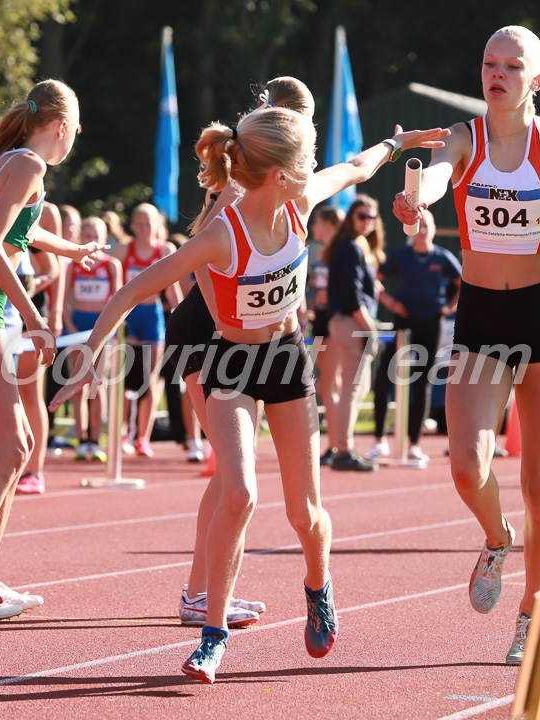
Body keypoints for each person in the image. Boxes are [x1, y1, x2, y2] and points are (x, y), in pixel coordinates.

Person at [50, 104, 447, 682]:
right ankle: (213, 633)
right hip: (229, 363)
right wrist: (89, 355)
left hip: (286, 362)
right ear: (280, 171)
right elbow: (137, 287)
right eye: (307, 156)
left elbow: (357, 168)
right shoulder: (220, 236)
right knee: (238, 492)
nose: (315, 165)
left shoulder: (301, 200)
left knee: (305, 513)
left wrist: (397, 143)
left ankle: (318, 584)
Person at [393, 25, 540, 665]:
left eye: (511, 66)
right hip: (481, 319)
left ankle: (530, 609)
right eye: (489, 64)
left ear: (536, 80)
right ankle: (497, 539)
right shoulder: (465, 137)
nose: (496, 74)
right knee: (466, 464)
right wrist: (418, 201)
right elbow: (441, 176)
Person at [169, 77, 316, 629]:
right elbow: (201, 254)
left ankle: (202, 594)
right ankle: (198, 596)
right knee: (231, 478)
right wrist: (224, 316)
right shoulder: (243, 187)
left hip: (241, 336)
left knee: (230, 476)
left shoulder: (275, 188)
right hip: (208, 334)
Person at [0, 79, 105, 620]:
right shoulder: (28, 165)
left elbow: (21, 231)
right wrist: (34, 316)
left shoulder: (15, 162)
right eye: (76, 131)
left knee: (18, 444)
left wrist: (72, 247)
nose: (73, 140)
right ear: (61, 127)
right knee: (13, 449)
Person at [367, 208, 461, 462]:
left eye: (427, 226)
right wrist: (389, 301)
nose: (423, 231)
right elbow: (374, 278)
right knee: (385, 376)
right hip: (403, 320)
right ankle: (378, 440)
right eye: (419, 227)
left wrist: (450, 307)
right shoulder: (401, 256)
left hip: (431, 322)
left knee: (422, 382)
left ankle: (414, 444)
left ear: (433, 230)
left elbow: (462, 283)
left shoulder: (442, 257)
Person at [321, 195, 386, 472]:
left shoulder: (353, 246)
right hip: (352, 323)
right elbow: (351, 293)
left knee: (353, 389)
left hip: (348, 322)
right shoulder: (349, 247)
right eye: (362, 216)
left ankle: (341, 447)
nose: (367, 222)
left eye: (372, 217)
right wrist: (368, 325)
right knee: (352, 389)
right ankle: (343, 450)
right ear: (351, 218)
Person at [113, 202, 182, 457]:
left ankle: (143, 437)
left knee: (151, 379)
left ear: (158, 226)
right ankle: (121, 434)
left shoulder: (165, 249)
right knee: (123, 378)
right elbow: (114, 284)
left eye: (148, 223)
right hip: (129, 316)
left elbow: (173, 288)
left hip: (153, 316)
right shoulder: (123, 250)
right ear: (132, 226)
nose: (144, 228)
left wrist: (181, 316)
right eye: (139, 223)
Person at [63, 216, 122, 461]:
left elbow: (119, 301)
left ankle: (96, 441)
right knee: (77, 384)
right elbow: (65, 301)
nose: (92, 241)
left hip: (102, 329)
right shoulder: (73, 265)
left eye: (96, 236)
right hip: (77, 327)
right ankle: (82, 440)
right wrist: (70, 327)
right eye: (87, 236)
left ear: (104, 238)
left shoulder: (111, 265)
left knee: (98, 384)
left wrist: (109, 332)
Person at [15, 202, 62, 494]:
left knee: (29, 391)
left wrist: (24, 292)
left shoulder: (33, 213)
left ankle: (35, 470)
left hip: (28, 316)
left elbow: (53, 268)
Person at [307, 205, 344, 465]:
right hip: (320, 319)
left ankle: (336, 444)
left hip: (334, 321)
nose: (312, 228)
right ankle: (337, 441)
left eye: (316, 223)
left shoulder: (343, 251)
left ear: (328, 224)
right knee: (328, 384)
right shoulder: (322, 253)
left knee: (329, 384)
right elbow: (318, 287)